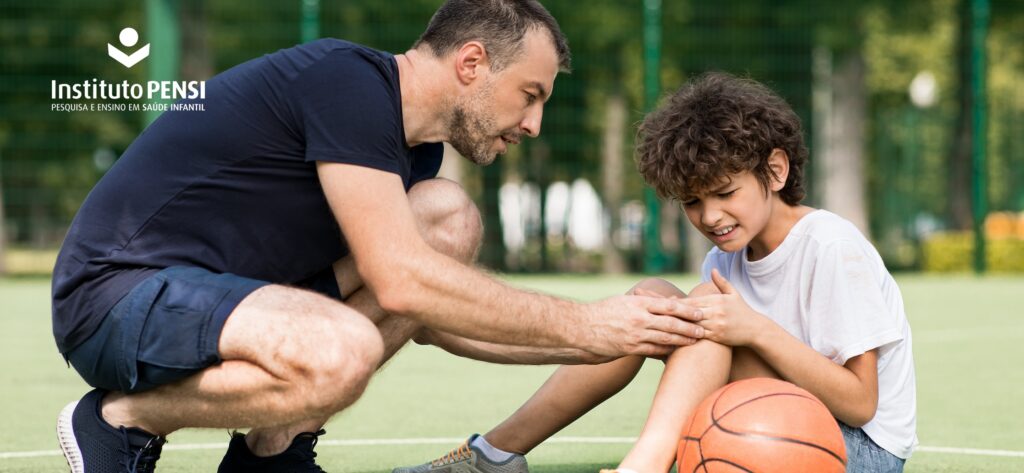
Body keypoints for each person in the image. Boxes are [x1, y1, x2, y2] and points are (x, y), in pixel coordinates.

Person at [51, 1, 708, 472]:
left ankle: (270, 454)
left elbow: (425, 314)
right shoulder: (348, 83)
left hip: (222, 300)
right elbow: (401, 280)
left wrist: (617, 340)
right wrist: (586, 323)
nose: (533, 124)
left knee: (446, 216)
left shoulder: (412, 153)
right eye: (529, 94)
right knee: (341, 349)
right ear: (473, 62)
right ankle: (122, 420)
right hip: (116, 297)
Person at [396, 72, 917, 473]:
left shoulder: (829, 245)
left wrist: (753, 328)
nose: (710, 216)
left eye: (725, 192)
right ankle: (496, 453)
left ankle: (643, 464)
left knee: (702, 319)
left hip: (855, 449)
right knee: (654, 299)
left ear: (775, 171)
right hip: (777, 415)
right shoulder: (725, 259)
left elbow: (860, 402)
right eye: (692, 201)